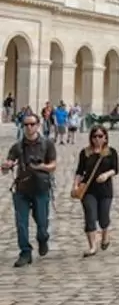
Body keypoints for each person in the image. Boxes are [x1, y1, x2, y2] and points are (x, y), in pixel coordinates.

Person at [1, 112, 57, 267]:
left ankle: (43, 238)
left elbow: (53, 165)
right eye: (25, 124)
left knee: (42, 223)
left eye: (32, 124)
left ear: (38, 125)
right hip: (22, 189)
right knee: (21, 223)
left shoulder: (47, 144)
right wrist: (7, 166)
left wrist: (41, 167)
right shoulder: (17, 146)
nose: (29, 127)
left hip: (41, 188)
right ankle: (25, 252)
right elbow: (9, 162)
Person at [72, 125, 119, 257]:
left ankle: (105, 235)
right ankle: (92, 246)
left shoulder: (111, 152)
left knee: (104, 218)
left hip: (105, 191)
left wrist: (106, 175)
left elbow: (115, 169)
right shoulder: (85, 153)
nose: (97, 139)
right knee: (90, 216)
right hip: (88, 189)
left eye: (100, 136)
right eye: (94, 136)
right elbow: (80, 171)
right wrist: (75, 185)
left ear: (105, 138)